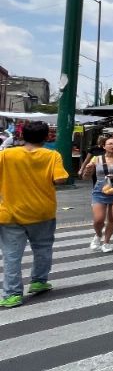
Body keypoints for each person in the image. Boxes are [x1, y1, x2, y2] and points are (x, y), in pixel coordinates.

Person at [0, 121, 70, 308]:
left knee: (11, 256)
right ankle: (38, 281)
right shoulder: (52, 155)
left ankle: (12, 294)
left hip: (10, 213)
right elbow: (61, 179)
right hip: (42, 212)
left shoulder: (6, 155)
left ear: (21, 135)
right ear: (47, 137)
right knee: (42, 249)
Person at [81, 135, 113, 252]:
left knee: (112, 218)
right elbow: (85, 177)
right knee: (98, 219)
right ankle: (98, 235)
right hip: (100, 190)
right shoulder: (96, 159)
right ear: (104, 146)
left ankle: (106, 242)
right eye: (110, 144)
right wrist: (87, 171)